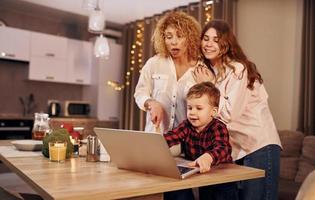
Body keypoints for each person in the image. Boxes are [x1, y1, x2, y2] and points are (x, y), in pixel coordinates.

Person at [193, 19, 282, 200]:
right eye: (206, 38)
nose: (208, 44)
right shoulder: (214, 72)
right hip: (237, 149)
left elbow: (228, 114)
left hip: (259, 146)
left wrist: (208, 85)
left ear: (226, 43)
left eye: (216, 40)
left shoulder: (238, 69)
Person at [163, 81, 238, 200]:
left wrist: (209, 157)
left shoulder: (218, 127)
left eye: (199, 108)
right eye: (190, 108)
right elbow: (172, 136)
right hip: (204, 177)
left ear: (213, 112)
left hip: (222, 179)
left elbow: (223, 148)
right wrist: (157, 144)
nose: (192, 112)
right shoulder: (187, 125)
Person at [134, 11, 201, 136]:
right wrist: (151, 103)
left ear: (190, 38)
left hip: (187, 142)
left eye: (180, 36)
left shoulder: (201, 69)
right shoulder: (154, 63)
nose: (173, 42)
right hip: (155, 137)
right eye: (169, 37)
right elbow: (140, 93)